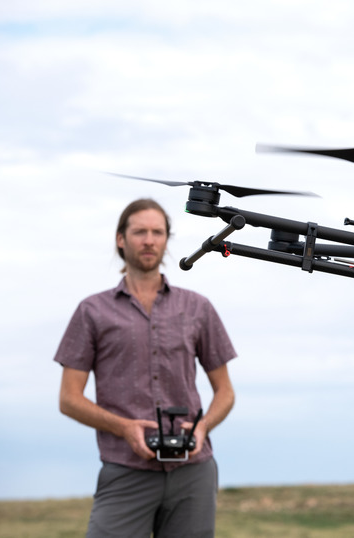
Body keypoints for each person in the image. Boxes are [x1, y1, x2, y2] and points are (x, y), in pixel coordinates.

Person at [55, 198, 237, 537]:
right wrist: (124, 427)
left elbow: (225, 392)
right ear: (121, 239)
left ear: (167, 239)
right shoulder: (92, 311)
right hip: (125, 469)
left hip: (193, 474)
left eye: (157, 232)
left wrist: (202, 427)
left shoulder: (198, 307)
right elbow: (68, 399)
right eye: (139, 232)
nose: (149, 240)